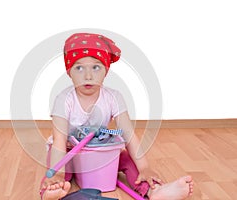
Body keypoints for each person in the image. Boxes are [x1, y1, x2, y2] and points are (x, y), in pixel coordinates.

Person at [40, 33, 194, 200]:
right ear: (69, 72)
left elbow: (129, 136)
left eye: (96, 67)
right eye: (79, 68)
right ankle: (51, 192)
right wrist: (58, 173)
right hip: (69, 151)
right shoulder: (63, 100)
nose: (88, 76)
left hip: (100, 153)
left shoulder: (114, 97)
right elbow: (59, 141)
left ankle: (153, 190)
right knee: (59, 170)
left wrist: (145, 167)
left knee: (127, 160)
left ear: (106, 71)